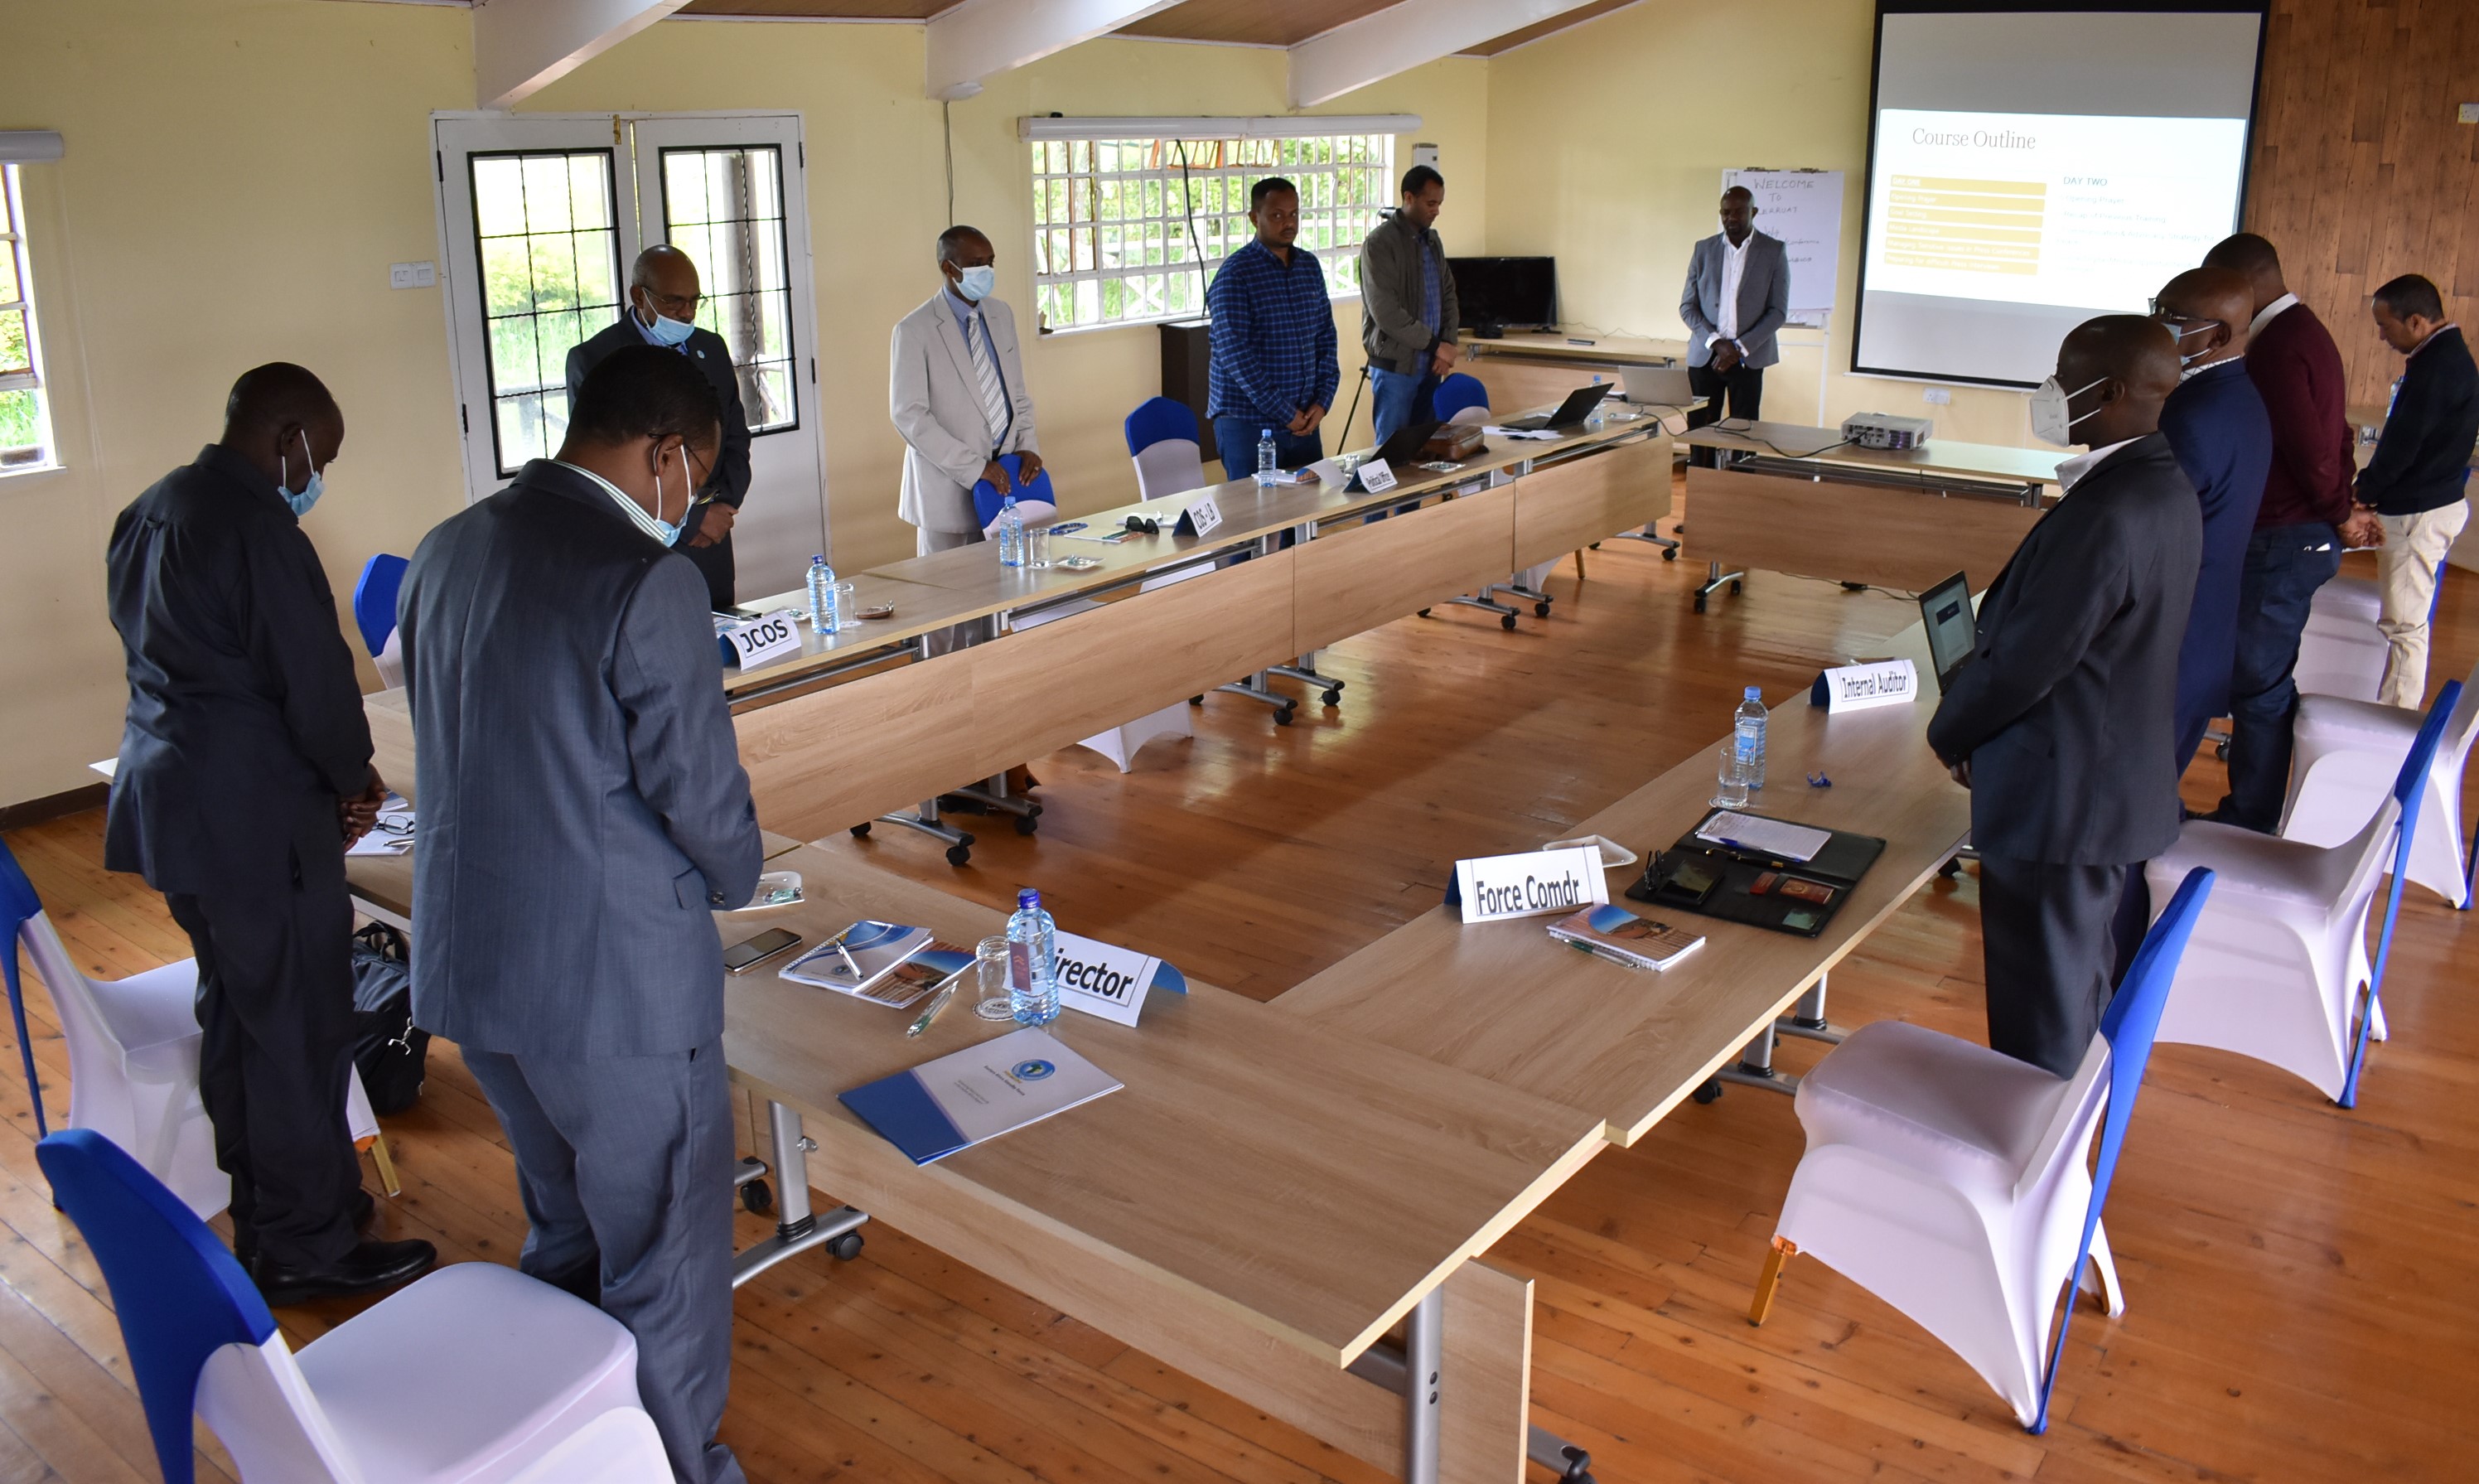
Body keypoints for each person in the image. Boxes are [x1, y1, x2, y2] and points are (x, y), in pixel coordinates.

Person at [399, 345, 761, 1484]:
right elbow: (698, 792)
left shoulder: (446, 546)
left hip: (475, 965)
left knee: (563, 1223)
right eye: (697, 478)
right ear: (665, 455)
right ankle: (671, 1465)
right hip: (615, 990)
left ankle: (564, 1442)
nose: (693, 503)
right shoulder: (648, 581)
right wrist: (740, 875)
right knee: (663, 1252)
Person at [104, 363, 435, 1303]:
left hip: (175, 811)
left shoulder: (149, 511)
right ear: (289, 437)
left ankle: (276, 1208)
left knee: (239, 1016)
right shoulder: (258, 531)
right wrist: (352, 778)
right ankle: (304, 1245)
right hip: (254, 825)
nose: (317, 476)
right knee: (298, 1031)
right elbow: (313, 683)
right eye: (321, 457)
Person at [1927, 317, 2200, 1077]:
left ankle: (2046, 1144)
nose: (2050, 393)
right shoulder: (2163, 484)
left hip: (2064, 803)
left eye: (2062, 378)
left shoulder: (2109, 512)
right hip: (2101, 784)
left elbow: (2028, 663)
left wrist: (1951, 733)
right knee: (2075, 989)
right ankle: (2070, 1133)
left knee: (2042, 1020)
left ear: (2108, 393)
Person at [2197, 233, 2377, 831]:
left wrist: (2339, 510)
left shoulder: (2278, 344)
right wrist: (2340, 502)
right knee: (2259, 680)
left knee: (2259, 687)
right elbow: (2337, 435)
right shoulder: (2304, 330)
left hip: (2284, 538)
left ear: (2246, 285)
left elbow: (2310, 449)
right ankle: (2252, 812)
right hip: (2293, 532)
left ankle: (2251, 820)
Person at [567, 244, 752, 613]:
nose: (687, 313)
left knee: (718, 635)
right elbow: (602, 467)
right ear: (639, 296)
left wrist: (723, 507)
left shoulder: (711, 348)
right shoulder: (596, 359)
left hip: (712, 539)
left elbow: (734, 435)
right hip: (642, 546)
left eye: (694, 302)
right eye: (673, 302)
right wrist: (692, 521)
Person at [2152, 267, 2273, 771]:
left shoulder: (2191, 415)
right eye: (2156, 308)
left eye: (2171, 316)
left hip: (2171, 640)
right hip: (2205, 631)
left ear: (2218, 335)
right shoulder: (2240, 395)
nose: (2157, 324)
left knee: (2138, 791)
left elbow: (2151, 532)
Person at [2355, 273, 2477, 708]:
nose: (2381, 337)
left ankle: (2395, 723)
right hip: (2425, 506)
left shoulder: (2439, 366)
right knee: (2405, 622)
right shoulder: (2442, 357)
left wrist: (2362, 492)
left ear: (2416, 321)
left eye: (2385, 326)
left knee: (2405, 627)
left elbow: (2403, 445)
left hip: (2418, 513)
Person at [890, 225, 1042, 563]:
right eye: (976, 264)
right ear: (949, 268)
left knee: (1010, 580)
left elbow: (1016, 393)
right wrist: (975, 468)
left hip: (1006, 481)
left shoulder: (1001, 314)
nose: (986, 270)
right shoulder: (914, 330)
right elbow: (909, 416)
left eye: (990, 261)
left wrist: (1028, 446)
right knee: (952, 586)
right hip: (947, 491)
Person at [1207, 176, 1340, 481]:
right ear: (1255, 218)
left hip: (1304, 423)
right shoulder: (1235, 275)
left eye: (1293, 214)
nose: (1288, 223)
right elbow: (1236, 356)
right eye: (1277, 215)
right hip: (1249, 424)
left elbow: (1326, 338)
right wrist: (1285, 413)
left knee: (1308, 507)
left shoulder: (1309, 267)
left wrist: (1322, 402)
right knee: (1254, 509)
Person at [1679, 186, 1790, 468]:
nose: (1732, 218)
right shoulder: (1703, 250)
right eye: (1726, 213)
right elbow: (1687, 307)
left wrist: (1737, 349)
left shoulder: (1773, 251)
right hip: (1706, 357)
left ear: (1753, 212)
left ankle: (1739, 488)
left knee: (1744, 435)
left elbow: (1777, 312)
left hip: (1748, 359)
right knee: (1701, 433)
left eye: (1739, 212)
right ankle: (1702, 487)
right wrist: (1717, 343)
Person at [1359, 164, 1460, 443]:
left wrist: (1447, 344)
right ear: (1408, 198)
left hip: (1432, 365)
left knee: (1425, 447)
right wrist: (1437, 345)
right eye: (1431, 203)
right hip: (1396, 368)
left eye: (1439, 204)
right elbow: (1386, 312)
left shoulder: (1433, 240)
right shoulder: (1379, 244)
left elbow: (1448, 294)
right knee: (1392, 450)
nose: (1436, 211)